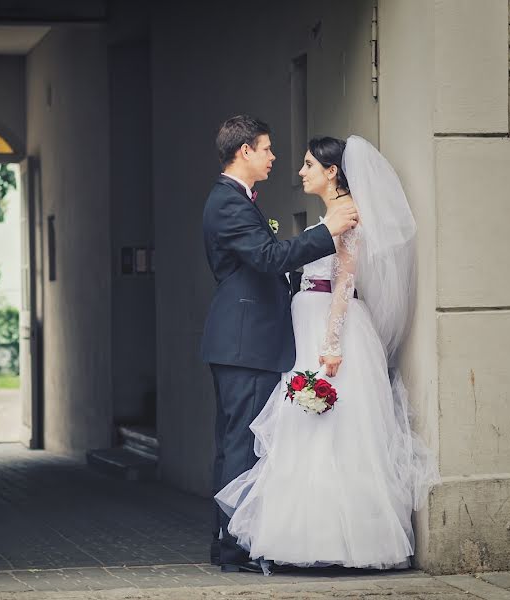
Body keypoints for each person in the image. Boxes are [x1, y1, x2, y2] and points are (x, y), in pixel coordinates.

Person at [215, 136, 439, 572]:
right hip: (308, 323)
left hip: (327, 327)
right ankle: (300, 535)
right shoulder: (331, 216)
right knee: (305, 428)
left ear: (332, 171)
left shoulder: (349, 215)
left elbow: (344, 283)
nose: (300, 172)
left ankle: (339, 540)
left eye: (308, 164)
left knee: (332, 429)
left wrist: (332, 344)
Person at [201, 116, 360, 573]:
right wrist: (327, 229)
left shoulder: (238, 201)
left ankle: (228, 542)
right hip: (244, 343)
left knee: (236, 443)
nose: (275, 158)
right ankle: (233, 547)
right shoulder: (229, 203)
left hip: (245, 341)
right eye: (268, 149)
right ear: (246, 151)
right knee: (240, 445)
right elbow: (268, 258)